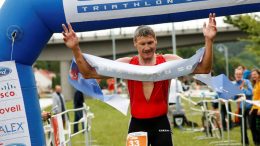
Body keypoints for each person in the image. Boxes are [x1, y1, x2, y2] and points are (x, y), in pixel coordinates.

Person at [62, 13, 217, 146]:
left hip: (161, 123)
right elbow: (89, 73)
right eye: (142, 43)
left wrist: (209, 40)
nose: (147, 47)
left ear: (156, 41)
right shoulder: (127, 64)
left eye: (150, 43)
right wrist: (75, 48)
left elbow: (203, 69)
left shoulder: (169, 61)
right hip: (137, 123)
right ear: (135, 43)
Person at [233, 68, 253, 145]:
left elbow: (250, 93)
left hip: (249, 107)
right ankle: (244, 142)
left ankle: (257, 140)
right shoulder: (234, 85)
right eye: (237, 74)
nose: (238, 75)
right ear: (235, 75)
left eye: (240, 74)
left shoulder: (246, 82)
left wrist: (242, 89)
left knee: (252, 126)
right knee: (242, 126)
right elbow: (234, 98)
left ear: (242, 75)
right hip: (241, 108)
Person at [249, 68, 260, 146]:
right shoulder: (255, 84)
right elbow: (255, 98)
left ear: (259, 75)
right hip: (254, 107)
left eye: (255, 74)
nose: (253, 76)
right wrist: (252, 108)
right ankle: (256, 141)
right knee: (252, 125)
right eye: (252, 75)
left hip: (259, 108)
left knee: (258, 126)